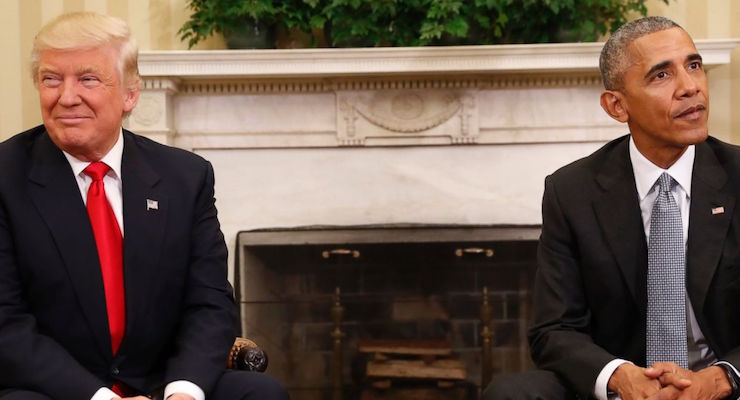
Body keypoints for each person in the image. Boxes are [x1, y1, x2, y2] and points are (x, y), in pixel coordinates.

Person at [0, 12, 288, 400]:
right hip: (56, 388)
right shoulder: (6, 177)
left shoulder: (185, 177)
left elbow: (209, 303)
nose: (66, 97)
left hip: (160, 382)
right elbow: (7, 323)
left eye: (87, 79)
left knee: (259, 393)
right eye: (51, 79)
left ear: (130, 94)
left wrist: (183, 392)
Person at [483, 16, 740, 400]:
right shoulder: (571, 191)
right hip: (625, 389)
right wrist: (620, 377)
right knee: (511, 392)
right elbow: (553, 329)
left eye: (694, 65)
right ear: (617, 106)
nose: (690, 87)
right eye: (661, 76)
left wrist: (718, 379)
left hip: (724, 385)